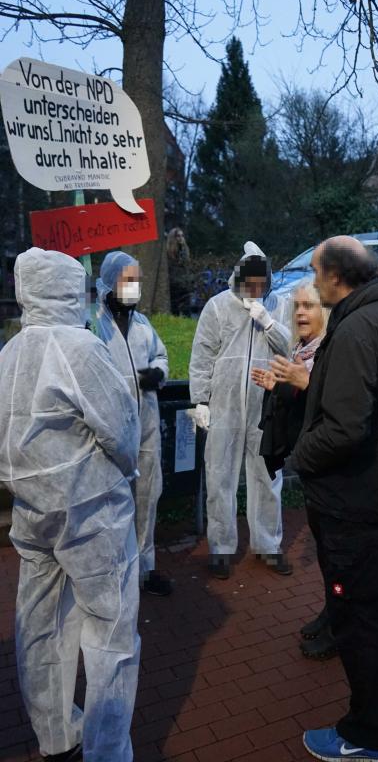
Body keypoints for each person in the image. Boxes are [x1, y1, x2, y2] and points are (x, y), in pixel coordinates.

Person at [0, 248, 141, 762]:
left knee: (40, 625)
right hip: (92, 512)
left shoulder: (9, 352)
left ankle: (56, 733)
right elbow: (122, 428)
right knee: (110, 632)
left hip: (32, 514)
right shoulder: (79, 347)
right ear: (69, 289)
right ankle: (106, 751)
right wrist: (126, 472)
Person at [292, 237, 378, 762]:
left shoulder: (353, 331)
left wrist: (300, 455)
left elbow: (344, 428)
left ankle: (367, 734)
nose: (313, 280)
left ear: (337, 277)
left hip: (357, 502)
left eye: (316, 271)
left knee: (356, 614)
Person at [189, 241, 291, 579]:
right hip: (225, 407)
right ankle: (220, 549)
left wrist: (267, 321)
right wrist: (200, 400)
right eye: (250, 283)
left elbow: (290, 349)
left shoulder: (278, 305)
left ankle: (268, 545)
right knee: (220, 477)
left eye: (261, 284)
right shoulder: (218, 307)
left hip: (266, 408)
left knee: (267, 477)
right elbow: (202, 356)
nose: (255, 289)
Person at [251, 281, 336, 660]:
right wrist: (278, 384)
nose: (301, 313)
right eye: (298, 306)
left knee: (336, 553)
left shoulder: (329, 354)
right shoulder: (302, 349)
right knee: (326, 550)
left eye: (310, 306)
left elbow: (333, 406)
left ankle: (340, 625)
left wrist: (305, 382)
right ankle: (332, 610)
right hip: (313, 469)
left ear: (326, 312)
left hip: (332, 472)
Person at [96, 251, 171, 597]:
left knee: (147, 500)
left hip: (148, 428)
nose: (134, 287)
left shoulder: (142, 324)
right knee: (113, 505)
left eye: (137, 281)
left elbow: (160, 354)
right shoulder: (93, 325)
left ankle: (145, 568)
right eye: (128, 280)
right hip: (112, 434)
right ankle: (115, 573)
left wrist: (159, 373)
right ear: (111, 281)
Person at [167, 227, 193, 316]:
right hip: (174, 283)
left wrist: (183, 247)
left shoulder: (184, 250)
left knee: (187, 309)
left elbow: (186, 263)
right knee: (175, 309)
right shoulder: (168, 253)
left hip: (184, 282)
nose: (181, 238)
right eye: (178, 236)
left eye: (182, 235)